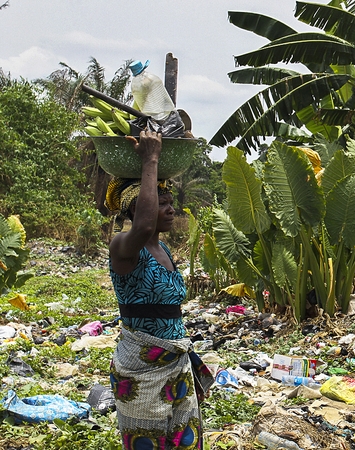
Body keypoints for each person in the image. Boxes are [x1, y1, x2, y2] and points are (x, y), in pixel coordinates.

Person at [105, 130, 213, 450]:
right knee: (148, 443)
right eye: (159, 202)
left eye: (169, 202)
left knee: (185, 442)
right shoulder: (124, 247)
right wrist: (151, 158)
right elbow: (142, 226)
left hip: (175, 361)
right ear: (135, 210)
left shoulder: (162, 249)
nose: (169, 209)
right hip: (142, 369)